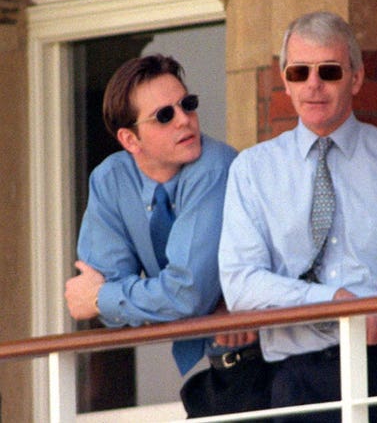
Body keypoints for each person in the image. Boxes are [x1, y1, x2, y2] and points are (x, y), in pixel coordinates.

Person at [219, 11, 377, 422]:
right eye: (299, 72)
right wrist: (335, 301)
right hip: (298, 379)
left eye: (328, 71)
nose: (313, 84)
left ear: (356, 79)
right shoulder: (253, 170)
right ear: (284, 79)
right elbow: (240, 285)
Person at [64, 54, 270, 418]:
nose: (185, 119)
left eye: (187, 104)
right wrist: (110, 300)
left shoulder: (216, 166)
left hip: (262, 360)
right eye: (164, 115)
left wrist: (104, 298)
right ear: (130, 139)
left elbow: (185, 293)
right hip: (216, 366)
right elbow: (112, 311)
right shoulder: (110, 179)